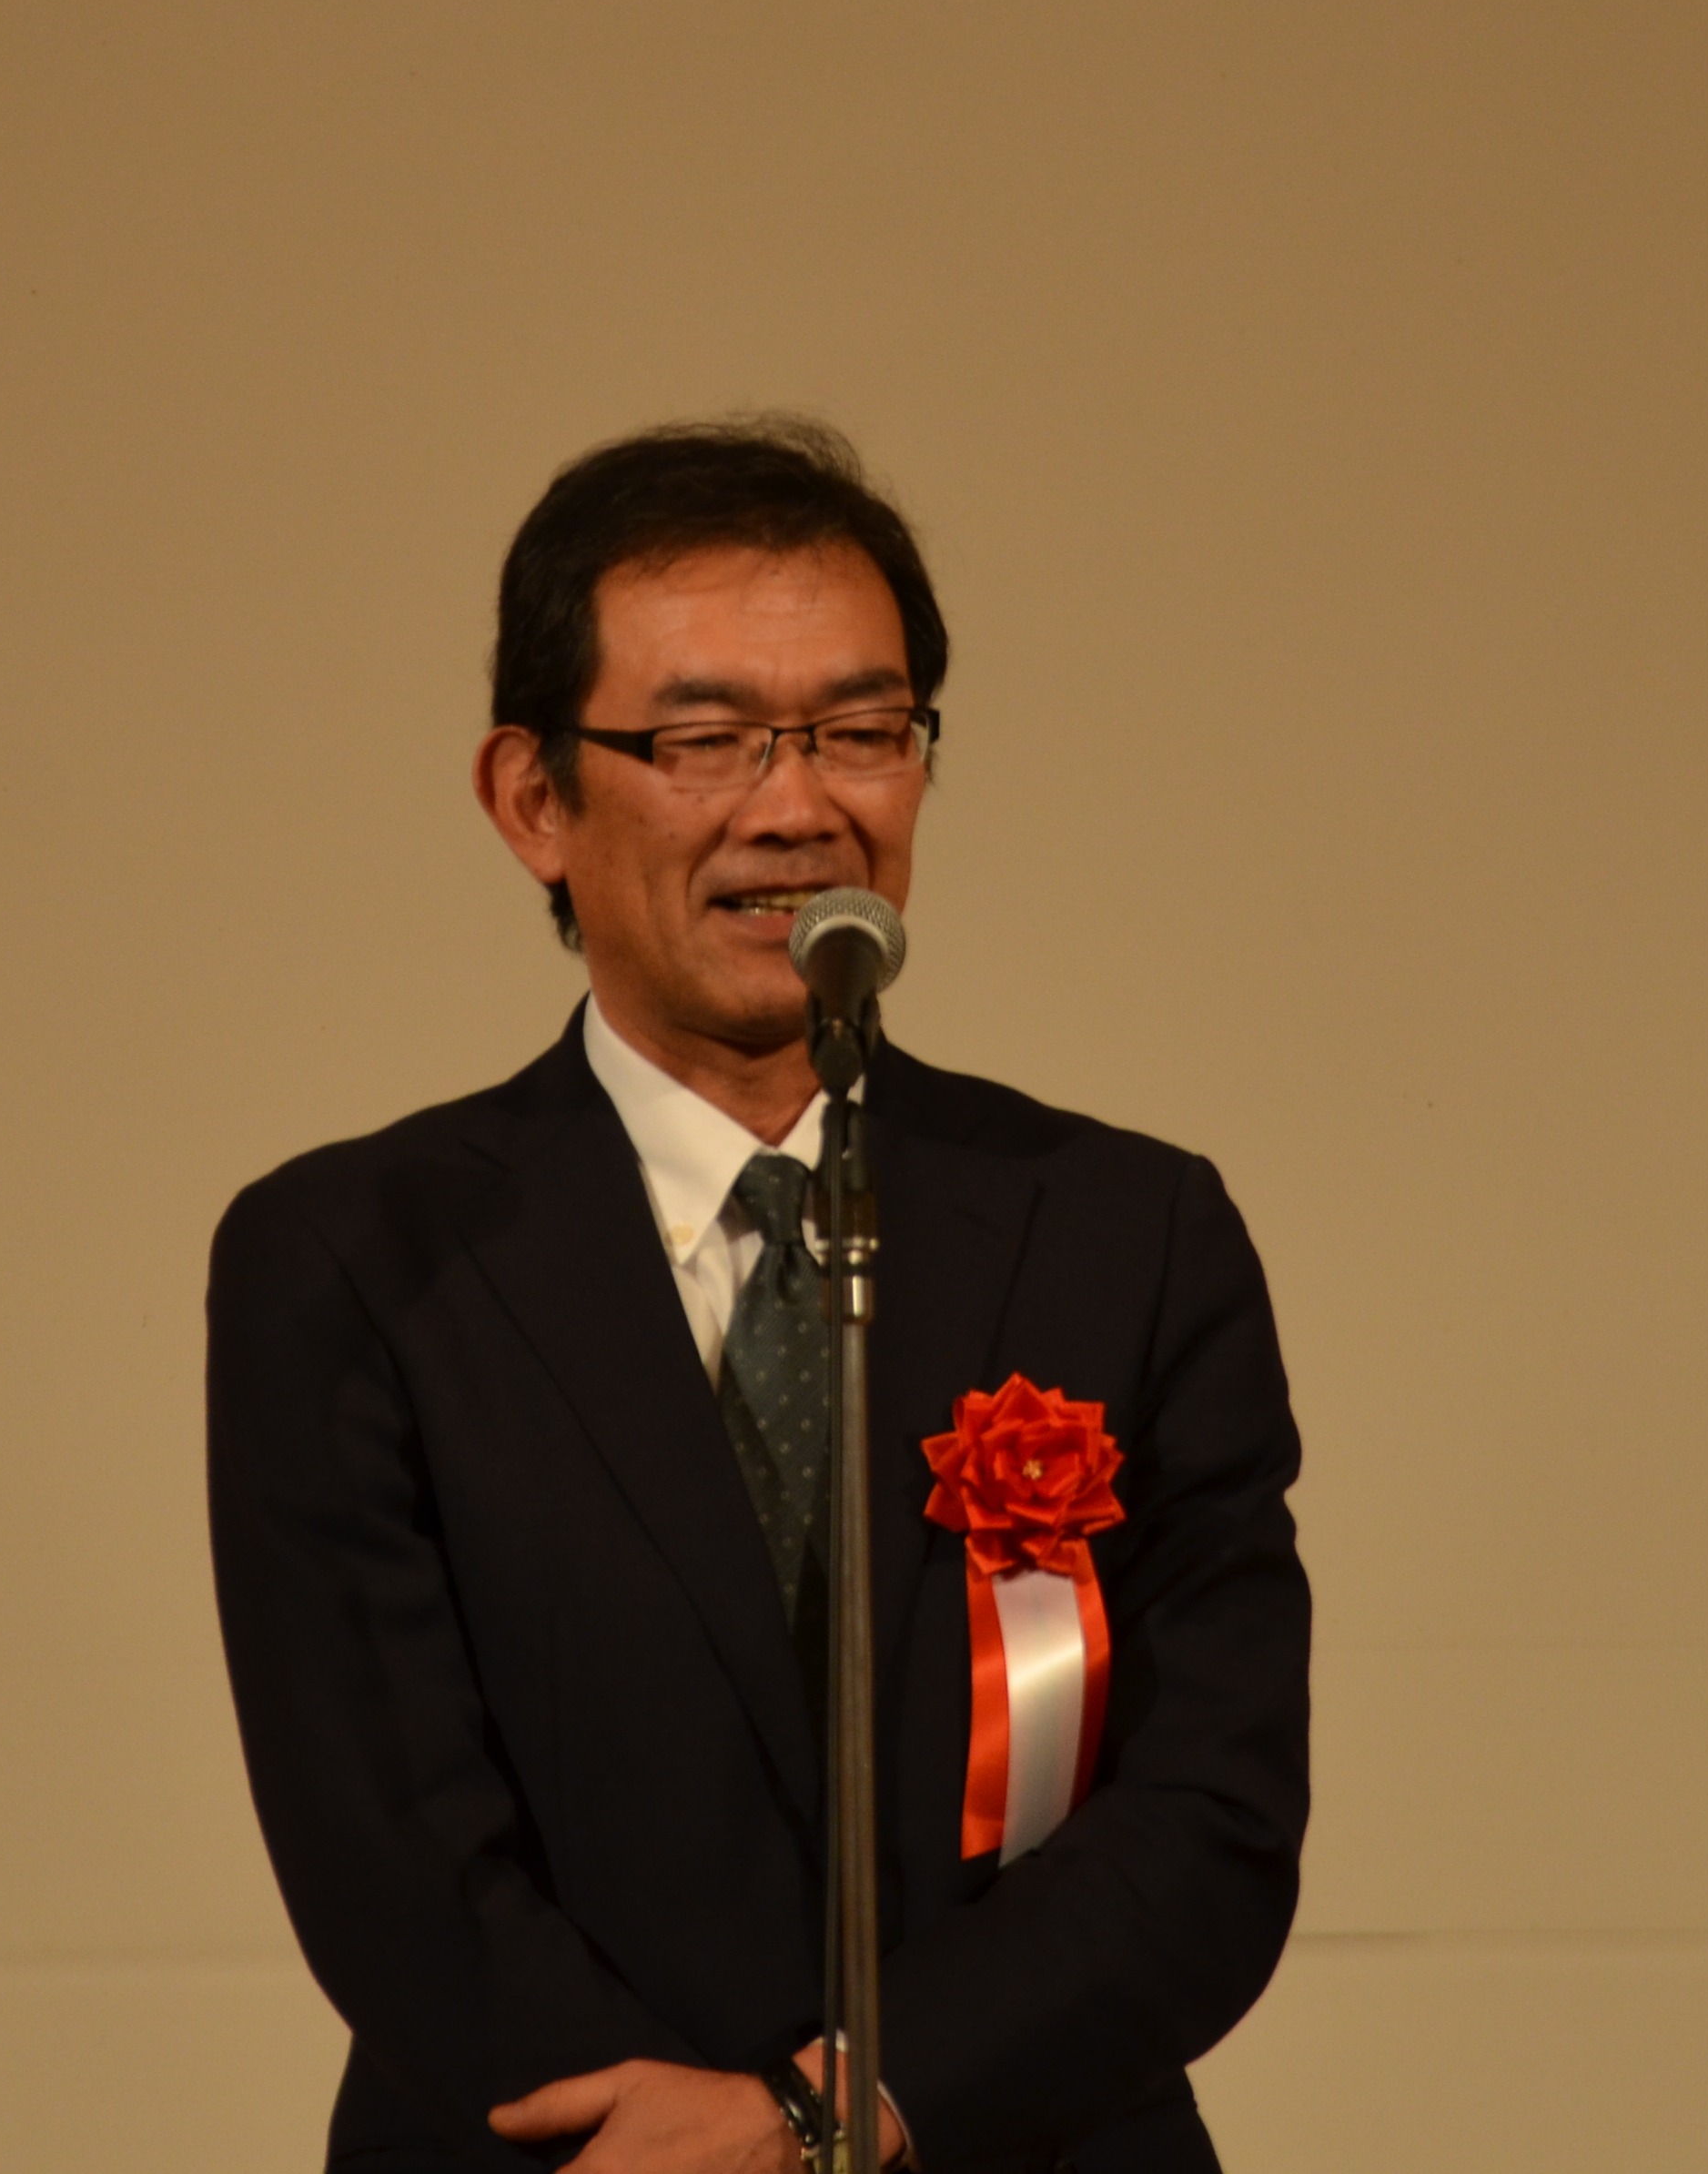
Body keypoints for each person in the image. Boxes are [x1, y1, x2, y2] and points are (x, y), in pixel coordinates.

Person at [206, 417, 1309, 2174]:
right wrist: (675, 2141)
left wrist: (830, 2117)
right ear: (534, 799)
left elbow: (1213, 1813)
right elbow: (389, 1841)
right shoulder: (358, 1260)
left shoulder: (1126, 1231)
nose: (799, 809)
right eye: (705, 740)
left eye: (862, 732)